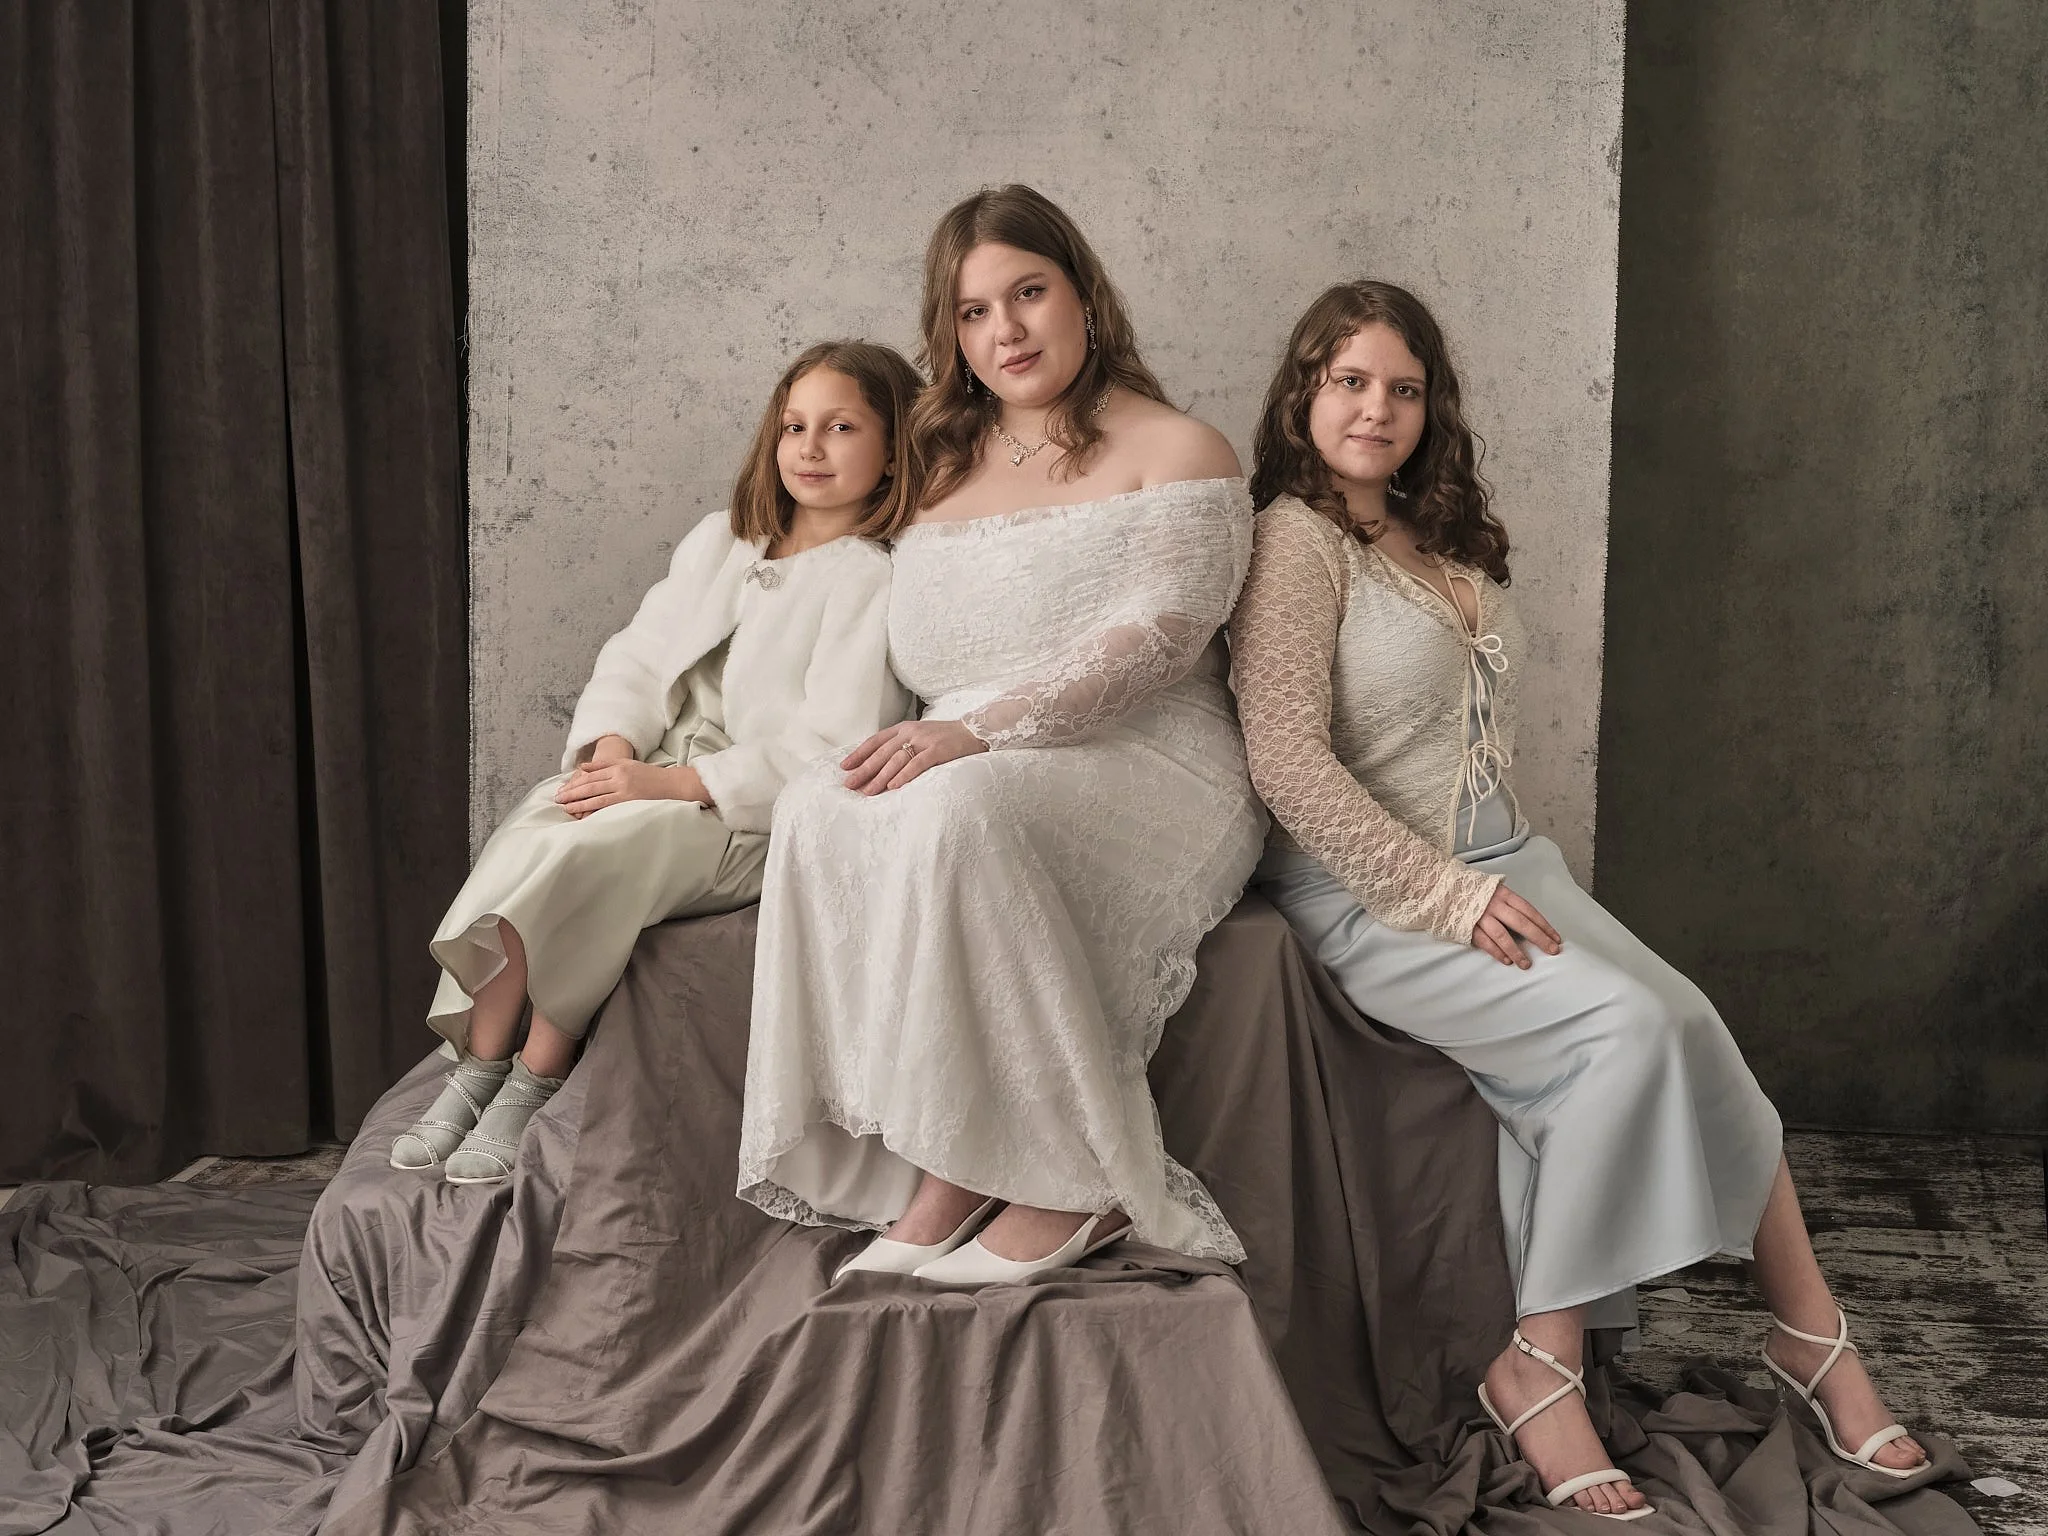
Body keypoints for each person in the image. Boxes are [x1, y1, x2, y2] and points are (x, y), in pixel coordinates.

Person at [1227, 280, 1932, 1516]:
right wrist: (1440, 896)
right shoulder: (1291, 540)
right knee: (1625, 1028)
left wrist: (1488, 874)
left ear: (1428, 406)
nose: (1375, 408)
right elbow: (1283, 761)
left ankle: (1810, 1333)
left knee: (1694, 1021)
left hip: (1513, 858)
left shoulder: (1425, 530)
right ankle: (1537, 1363)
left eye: (1402, 386)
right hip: (1376, 894)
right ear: (1302, 393)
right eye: (1348, 381)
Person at [736, 185, 1263, 1285]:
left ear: (1083, 294)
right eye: (974, 313)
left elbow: (1159, 637)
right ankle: (946, 1167)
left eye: (1028, 293)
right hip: (968, 747)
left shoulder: (1178, 447)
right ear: (952, 336)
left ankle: (1069, 1186)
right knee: (814, 805)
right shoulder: (934, 465)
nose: (1006, 331)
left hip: (1150, 754)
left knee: (957, 802)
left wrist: (974, 731)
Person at [390, 340, 920, 1183]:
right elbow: (635, 657)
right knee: (540, 829)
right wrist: (612, 754)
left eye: (842, 427)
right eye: (793, 426)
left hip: (736, 810)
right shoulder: (723, 541)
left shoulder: (871, 578)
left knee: (603, 854)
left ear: (893, 449)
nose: (809, 448)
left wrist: (669, 787)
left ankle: (537, 1073)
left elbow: (832, 747)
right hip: (649, 768)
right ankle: (478, 1068)